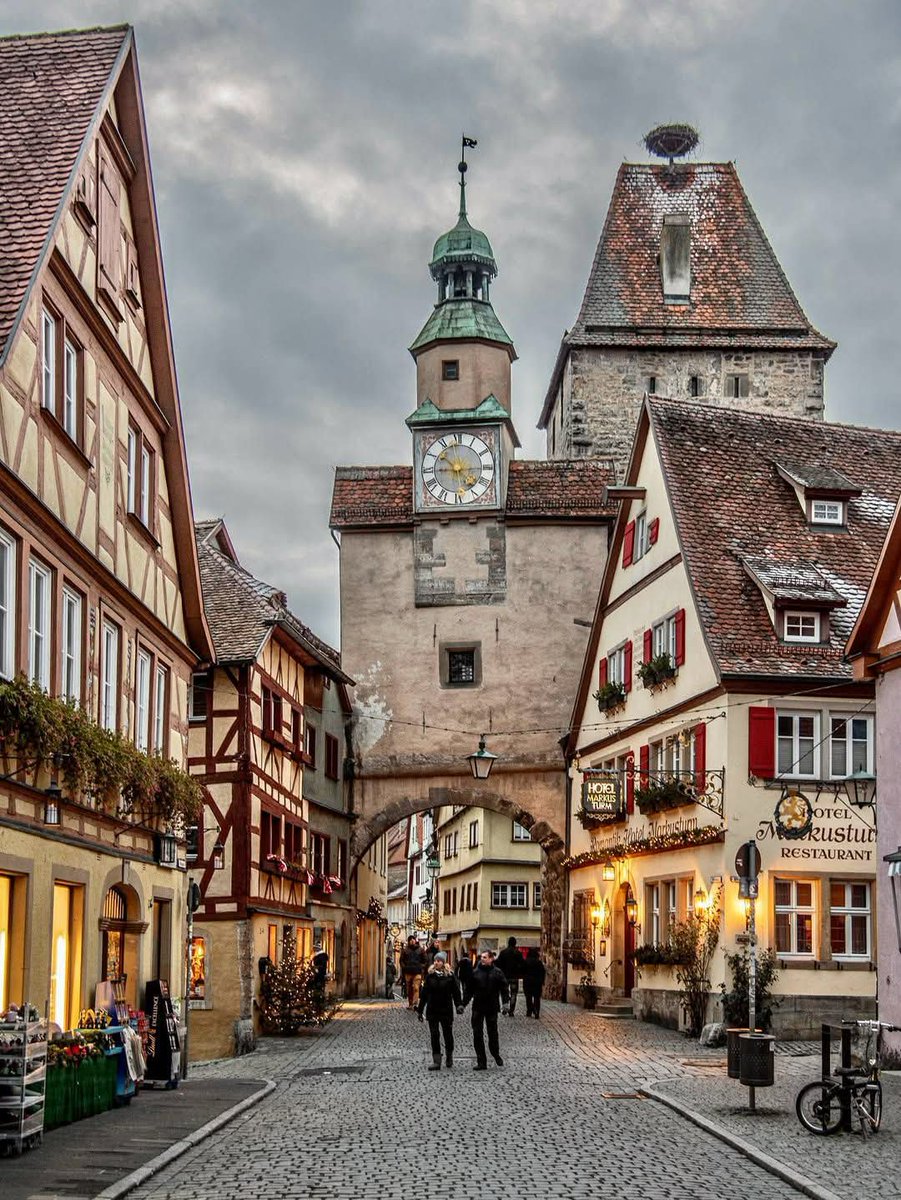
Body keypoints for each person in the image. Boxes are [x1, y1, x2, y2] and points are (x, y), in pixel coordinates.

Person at [462, 949, 509, 1070]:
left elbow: (504, 988)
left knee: (492, 1033)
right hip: (478, 1007)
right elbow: (469, 991)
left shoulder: (497, 973)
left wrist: (505, 1003)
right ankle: (481, 1061)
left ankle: (495, 1053)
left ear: (491, 959)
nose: (482, 959)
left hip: (492, 1007)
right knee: (477, 1034)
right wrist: (463, 1004)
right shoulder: (475, 973)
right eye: (481, 957)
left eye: (485, 957)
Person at [417, 951, 464, 1070]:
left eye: (438, 961)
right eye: (435, 961)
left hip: (446, 1010)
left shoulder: (450, 976)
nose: (436, 962)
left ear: (443, 962)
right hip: (432, 1010)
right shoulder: (430, 976)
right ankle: (436, 1061)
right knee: (434, 1035)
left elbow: (456, 992)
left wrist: (459, 1005)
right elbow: (424, 995)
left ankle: (449, 1055)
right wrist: (420, 1010)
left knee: (447, 1034)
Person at [495, 936, 524, 1017]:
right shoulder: (518, 953)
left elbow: (498, 963)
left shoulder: (503, 953)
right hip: (514, 977)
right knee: (514, 993)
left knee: (504, 992)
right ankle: (511, 1010)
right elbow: (522, 964)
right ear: (515, 943)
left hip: (504, 977)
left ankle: (505, 1007)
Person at [399, 936, 426, 1010]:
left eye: (413, 939)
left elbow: (425, 960)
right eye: (410, 940)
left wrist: (421, 966)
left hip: (417, 972)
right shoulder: (405, 950)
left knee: (416, 988)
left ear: (415, 940)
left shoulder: (420, 950)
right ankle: (410, 1003)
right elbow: (401, 960)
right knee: (409, 989)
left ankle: (415, 1003)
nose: (412, 941)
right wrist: (404, 967)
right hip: (408, 972)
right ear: (408, 941)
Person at [522, 946, 546, 1018]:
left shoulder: (526, 962)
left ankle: (529, 1010)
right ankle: (536, 1011)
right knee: (537, 997)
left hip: (527, 981)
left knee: (528, 997)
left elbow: (522, 971)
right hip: (537, 982)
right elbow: (543, 972)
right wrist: (542, 981)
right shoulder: (539, 962)